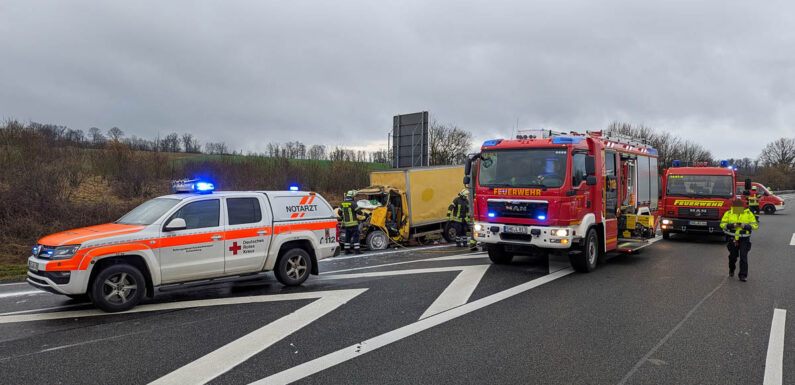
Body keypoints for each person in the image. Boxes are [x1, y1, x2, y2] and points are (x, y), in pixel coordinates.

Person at [719, 198, 758, 281]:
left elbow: (755, 225)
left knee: (743, 257)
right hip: (732, 238)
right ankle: (731, 269)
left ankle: (743, 275)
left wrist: (745, 226)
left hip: (744, 239)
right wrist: (733, 225)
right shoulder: (729, 213)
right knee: (733, 257)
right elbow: (722, 224)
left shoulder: (748, 213)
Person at [339, 190, 364, 254]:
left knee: (347, 237)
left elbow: (339, 212)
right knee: (356, 236)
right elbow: (359, 212)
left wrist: (343, 217)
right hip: (353, 224)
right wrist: (365, 214)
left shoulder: (342, 204)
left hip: (346, 224)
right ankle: (357, 250)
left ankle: (346, 250)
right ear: (352, 197)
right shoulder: (353, 203)